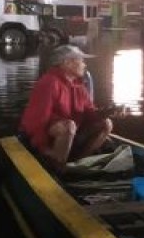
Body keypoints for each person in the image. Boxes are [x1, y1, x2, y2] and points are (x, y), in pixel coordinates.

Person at [19, 44, 113, 173]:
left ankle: (76, 164)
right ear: (67, 63)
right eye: (81, 61)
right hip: (47, 137)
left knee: (106, 124)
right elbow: (36, 120)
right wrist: (41, 147)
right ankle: (57, 168)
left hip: (71, 133)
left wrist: (108, 112)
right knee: (68, 126)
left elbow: (90, 113)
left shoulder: (79, 85)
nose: (84, 65)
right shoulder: (49, 82)